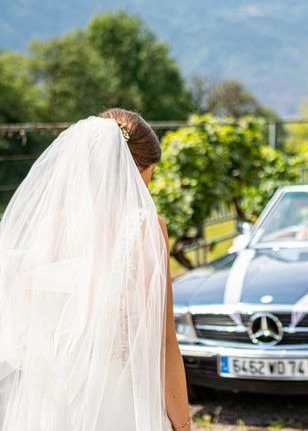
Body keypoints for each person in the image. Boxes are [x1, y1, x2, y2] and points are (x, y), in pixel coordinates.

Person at [0, 109, 190, 430]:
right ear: (137, 171)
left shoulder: (49, 226)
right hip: (120, 404)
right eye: (149, 173)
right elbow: (162, 342)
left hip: (53, 405)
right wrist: (183, 423)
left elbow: (30, 335)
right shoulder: (145, 228)